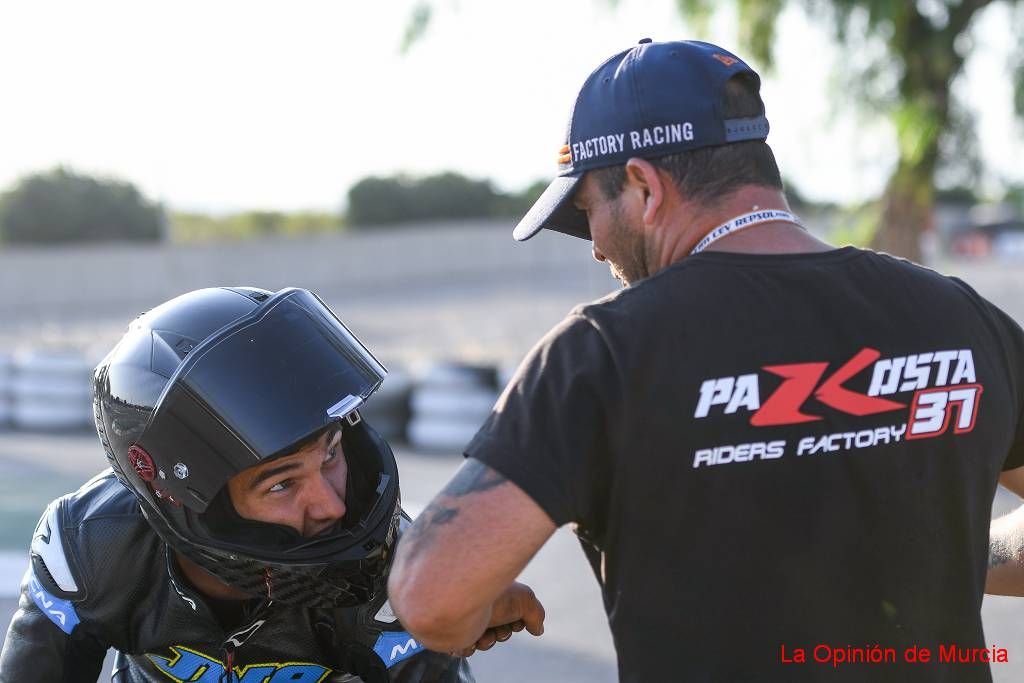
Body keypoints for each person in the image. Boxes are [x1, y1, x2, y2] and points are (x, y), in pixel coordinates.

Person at [388, 38, 1024, 681]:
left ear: (643, 186)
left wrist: (475, 599)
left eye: (587, 214)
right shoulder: (958, 317)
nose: (595, 248)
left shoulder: (604, 356)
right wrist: (960, 556)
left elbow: (430, 598)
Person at [0, 286, 534, 682]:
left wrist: (436, 607)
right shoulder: (91, 545)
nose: (330, 505)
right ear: (192, 502)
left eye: (329, 456)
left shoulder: (395, 575)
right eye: (280, 484)